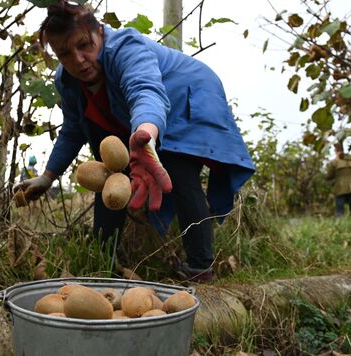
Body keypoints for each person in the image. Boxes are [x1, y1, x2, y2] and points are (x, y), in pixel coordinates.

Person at [13, 0, 254, 283]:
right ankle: (103, 265)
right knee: (110, 176)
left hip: (187, 94)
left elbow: (146, 92)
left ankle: (200, 268)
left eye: (84, 45)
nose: (78, 59)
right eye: (65, 53)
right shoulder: (67, 80)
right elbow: (73, 128)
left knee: (177, 170)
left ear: (100, 33)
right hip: (141, 118)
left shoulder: (126, 48)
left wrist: (144, 138)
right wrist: (47, 176)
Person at [326, 142, 351, 216]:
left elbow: (329, 175)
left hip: (340, 188)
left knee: (339, 210)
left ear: (336, 151)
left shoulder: (335, 162)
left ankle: (341, 225)